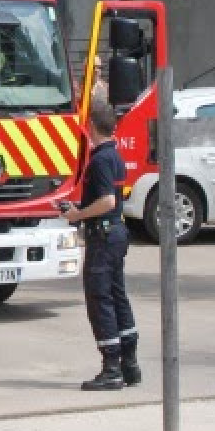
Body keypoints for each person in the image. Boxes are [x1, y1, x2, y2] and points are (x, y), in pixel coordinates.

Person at [62, 100, 138, 391]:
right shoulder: (115, 156)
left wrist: (77, 214)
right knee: (117, 295)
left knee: (100, 299)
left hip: (103, 236)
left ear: (91, 125)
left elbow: (106, 201)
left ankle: (111, 370)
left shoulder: (101, 160)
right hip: (116, 232)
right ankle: (129, 364)